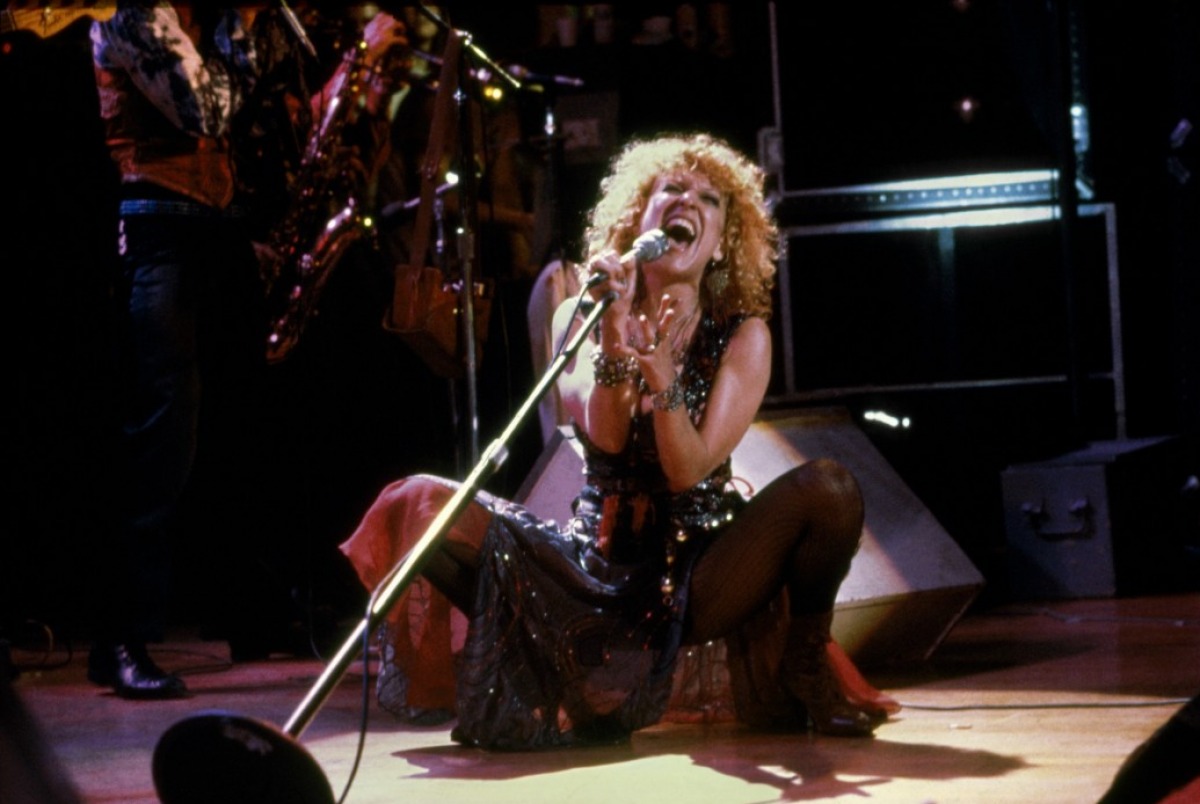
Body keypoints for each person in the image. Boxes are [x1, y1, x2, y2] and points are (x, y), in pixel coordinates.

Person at [339, 132, 898, 748]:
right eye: (672, 189)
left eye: (709, 199)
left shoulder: (744, 337)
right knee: (418, 503)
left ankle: (806, 661)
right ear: (638, 219)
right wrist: (612, 330)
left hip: (698, 571)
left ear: (720, 245)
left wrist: (663, 380)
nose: (688, 202)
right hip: (593, 563)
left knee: (830, 490)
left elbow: (687, 471)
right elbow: (604, 437)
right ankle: (538, 664)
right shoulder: (577, 314)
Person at [86, 2, 407, 700]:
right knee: (162, 437)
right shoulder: (134, 12)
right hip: (158, 233)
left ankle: (256, 606)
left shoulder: (215, 18)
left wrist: (352, 75)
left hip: (217, 229)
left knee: (247, 430)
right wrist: (246, 23)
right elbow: (206, 110)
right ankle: (122, 637)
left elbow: (278, 125)